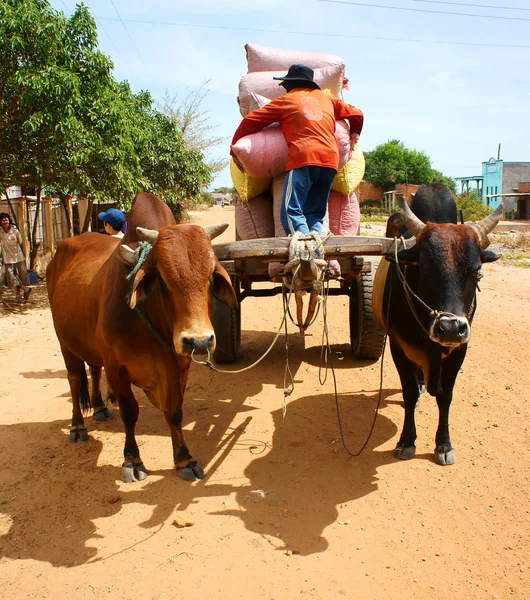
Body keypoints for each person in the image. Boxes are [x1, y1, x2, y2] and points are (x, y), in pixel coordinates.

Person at [231, 64, 363, 238]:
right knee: (316, 212)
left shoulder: (286, 100)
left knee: (290, 210)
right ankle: (316, 248)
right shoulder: (328, 99)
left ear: (290, 84)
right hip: (331, 161)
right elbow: (357, 113)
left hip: (303, 158)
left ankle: (302, 250)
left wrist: (234, 147)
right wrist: (354, 136)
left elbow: (252, 121)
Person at [0, 212, 31, 302]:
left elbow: (20, 241)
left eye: (6, 219)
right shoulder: (0, 232)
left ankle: (18, 295)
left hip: (18, 257)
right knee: (11, 277)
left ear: (9, 221)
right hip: (7, 259)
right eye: (2, 220)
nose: (5, 222)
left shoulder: (15, 231)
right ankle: (25, 289)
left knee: (19, 276)